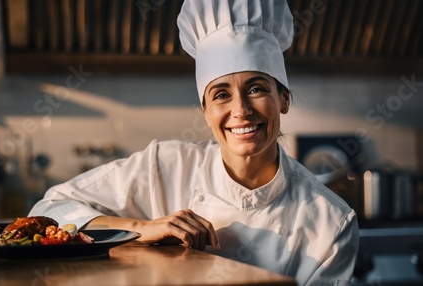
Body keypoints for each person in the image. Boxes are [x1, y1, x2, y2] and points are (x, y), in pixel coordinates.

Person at [29, 0, 359, 285]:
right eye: (221, 95)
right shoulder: (163, 165)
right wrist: (140, 229)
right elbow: (48, 211)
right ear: (205, 111)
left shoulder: (331, 223)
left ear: (283, 100)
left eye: (257, 89)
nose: (240, 111)